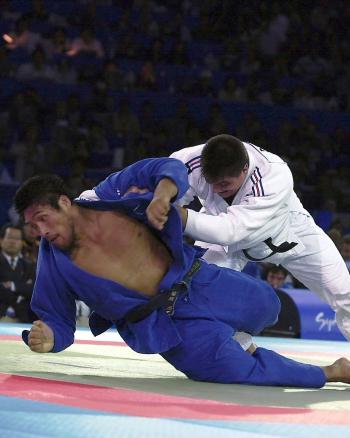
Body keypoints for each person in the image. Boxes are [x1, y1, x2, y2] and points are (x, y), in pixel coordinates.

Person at [14, 158, 350, 387]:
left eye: (44, 217)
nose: (41, 231)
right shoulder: (53, 262)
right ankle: (331, 372)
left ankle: (233, 337)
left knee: (269, 306)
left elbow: (168, 166)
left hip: (198, 280)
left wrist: (163, 193)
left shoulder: (108, 196)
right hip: (164, 325)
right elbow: (57, 319)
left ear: (64, 202)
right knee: (236, 371)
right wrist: (49, 339)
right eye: (32, 226)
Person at [169, 134, 350, 341]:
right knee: (199, 293)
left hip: (288, 233)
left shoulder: (273, 174)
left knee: (345, 294)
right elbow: (166, 185)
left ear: (244, 169)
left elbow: (230, 230)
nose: (217, 190)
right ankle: (238, 350)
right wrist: (163, 202)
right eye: (212, 183)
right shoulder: (191, 160)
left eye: (225, 184)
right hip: (219, 226)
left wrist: (179, 215)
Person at [0, 223, 36, 322]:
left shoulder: (30, 266)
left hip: (24, 319)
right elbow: (27, 290)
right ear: (1, 240)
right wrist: (22, 290)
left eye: (16, 239)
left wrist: (12, 285)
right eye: (9, 237)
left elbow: (33, 290)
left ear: (22, 243)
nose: (12, 242)